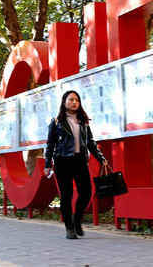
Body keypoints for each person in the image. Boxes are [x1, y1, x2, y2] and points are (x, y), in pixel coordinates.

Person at [44, 90, 108, 239]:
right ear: (64, 102)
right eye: (71, 99)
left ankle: (76, 218)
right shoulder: (56, 122)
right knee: (66, 195)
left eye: (77, 100)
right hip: (62, 161)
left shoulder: (83, 121)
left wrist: (100, 157)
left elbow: (90, 143)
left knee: (86, 192)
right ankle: (69, 228)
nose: (74, 102)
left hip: (79, 160)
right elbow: (50, 144)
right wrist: (48, 163)